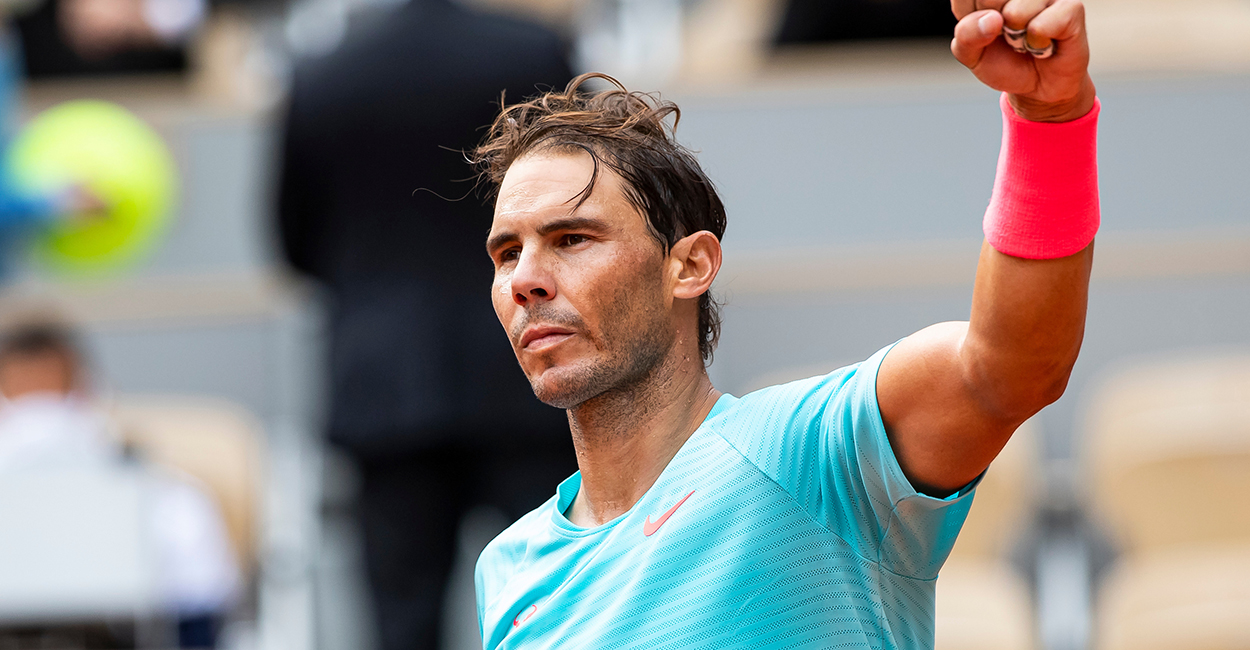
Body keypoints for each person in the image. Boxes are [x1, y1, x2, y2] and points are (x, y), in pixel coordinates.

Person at [470, 0, 1098, 647]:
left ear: (689, 266)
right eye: (506, 253)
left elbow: (1012, 365)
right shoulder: (509, 570)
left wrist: (1050, 120)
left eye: (572, 238)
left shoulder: (808, 451)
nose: (524, 280)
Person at [274, 2, 574, 649]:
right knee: (557, 610)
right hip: (524, 366)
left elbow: (294, 244)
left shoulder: (320, 72)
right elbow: (586, 198)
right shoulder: (532, 53)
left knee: (401, 623)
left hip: (383, 385)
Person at [0, 321, 241, 647]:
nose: (42, 418)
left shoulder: (166, 498)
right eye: (26, 390)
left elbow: (200, 607)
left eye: (49, 390)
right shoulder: (170, 500)